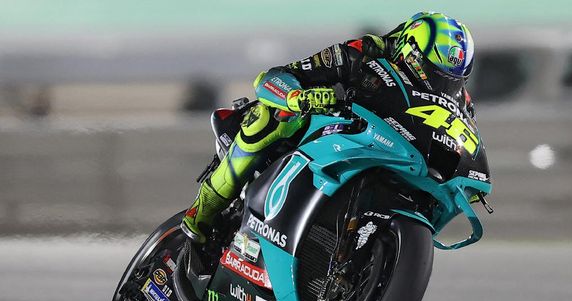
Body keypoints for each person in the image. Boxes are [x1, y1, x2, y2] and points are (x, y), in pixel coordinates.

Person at [181, 11, 476, 244]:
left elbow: (466, 141)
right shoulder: (364, 52)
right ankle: (202, 212)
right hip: (323, 132)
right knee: (272, 118)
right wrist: (299, 97)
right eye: (431, 72)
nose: (439, 87)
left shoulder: (460, 102)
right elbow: (273, 78)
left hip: (393, 155)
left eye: (450, 80)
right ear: (408, 50)